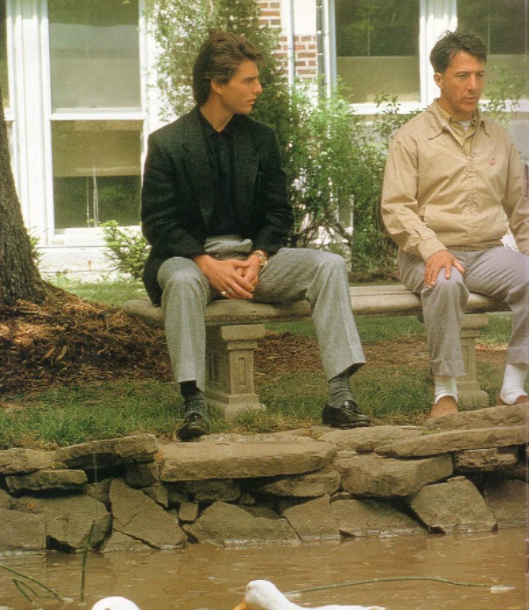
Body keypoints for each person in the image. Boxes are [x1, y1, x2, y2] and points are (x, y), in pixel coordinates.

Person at [141, 31, 369, 440]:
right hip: (191, 261)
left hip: (253, 260)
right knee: (179, 280)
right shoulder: (168, 143)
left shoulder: (261, 139)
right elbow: (157, 223)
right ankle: (194, 402)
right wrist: (205, 263)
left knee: (329, 265)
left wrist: (260, 256)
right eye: (248, 80)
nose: (258, 89)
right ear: (217, 84)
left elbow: (279, 212)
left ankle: (339, 396)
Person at [382, 30, 529, 418]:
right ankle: (445, 392)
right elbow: (396, 208)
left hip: (487, 253)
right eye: (463, 75)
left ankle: (513, 386)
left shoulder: (498, 137)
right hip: (425, 253)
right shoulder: (412, 137)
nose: (474, 85)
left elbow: (520, 207)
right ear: (439, 78)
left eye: (479, 75)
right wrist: (433, 249)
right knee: (446, 282)